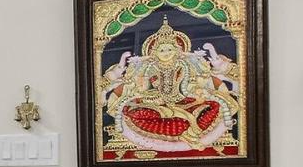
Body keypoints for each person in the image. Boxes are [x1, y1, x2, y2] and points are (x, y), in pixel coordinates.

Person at [100, 17, 239, 155]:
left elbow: (192, 84)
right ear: (154, 52)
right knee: (134, 112)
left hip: (184, 100)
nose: (166, 53)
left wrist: (198, 91)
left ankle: (190, 133)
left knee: (214, 106)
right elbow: (144, 90)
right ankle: (187, 131)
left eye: (169, 49)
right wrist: (144, 93)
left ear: (177, 50)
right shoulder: (149, 68)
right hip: (156, 102)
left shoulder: (185, 65)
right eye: (161, 50)